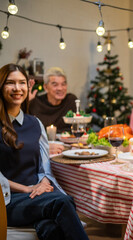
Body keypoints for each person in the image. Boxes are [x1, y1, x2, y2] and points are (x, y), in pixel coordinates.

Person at [0, 64, 89, 240]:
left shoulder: (35, 123)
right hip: (6, 201)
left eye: (22, 83)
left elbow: (44, 167)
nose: (17, 88)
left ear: (28, 86)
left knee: (50, 228)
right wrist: (26, 188)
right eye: (11, 83)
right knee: (63, 201)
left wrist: (43, 183)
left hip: (35, 196)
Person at [29, 67, 77, 133]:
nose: (60, 88)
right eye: (55, 85)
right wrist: (26, 103)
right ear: (45, 87)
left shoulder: (71, 101)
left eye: (63, 84)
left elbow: (77, 127)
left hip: (67, 142)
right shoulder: (35, 103)